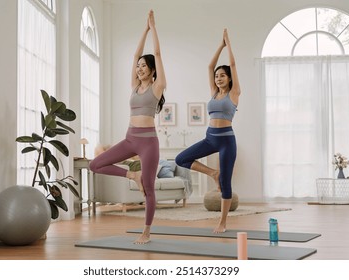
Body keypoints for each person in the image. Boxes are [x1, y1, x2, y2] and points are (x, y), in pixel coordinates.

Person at [89, 10, 166, 244]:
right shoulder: (134, 86)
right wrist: (143, 30)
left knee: (150, 189)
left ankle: (146, 231)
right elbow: (134, 55)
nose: (140, 68)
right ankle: (133, 174)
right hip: (130, 138)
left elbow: (159, 54)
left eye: (144, 66)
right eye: (139, 66)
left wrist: (153, 30)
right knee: (95, 164)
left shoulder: (157, 87)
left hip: (148, 143)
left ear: (152, 71)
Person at [175, 28, 241, 233]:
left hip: (227, 141)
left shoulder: (235, 93)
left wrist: (228, 44)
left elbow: (233, 64)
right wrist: (219, 45)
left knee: (227, 184)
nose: (218, 78)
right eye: (217, 76)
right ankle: (213, 173)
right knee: (181, 159)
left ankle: (222, 222)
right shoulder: (213, 93)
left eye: (222, 76)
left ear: (229, 79)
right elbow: (210, 65)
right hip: (210, 138)